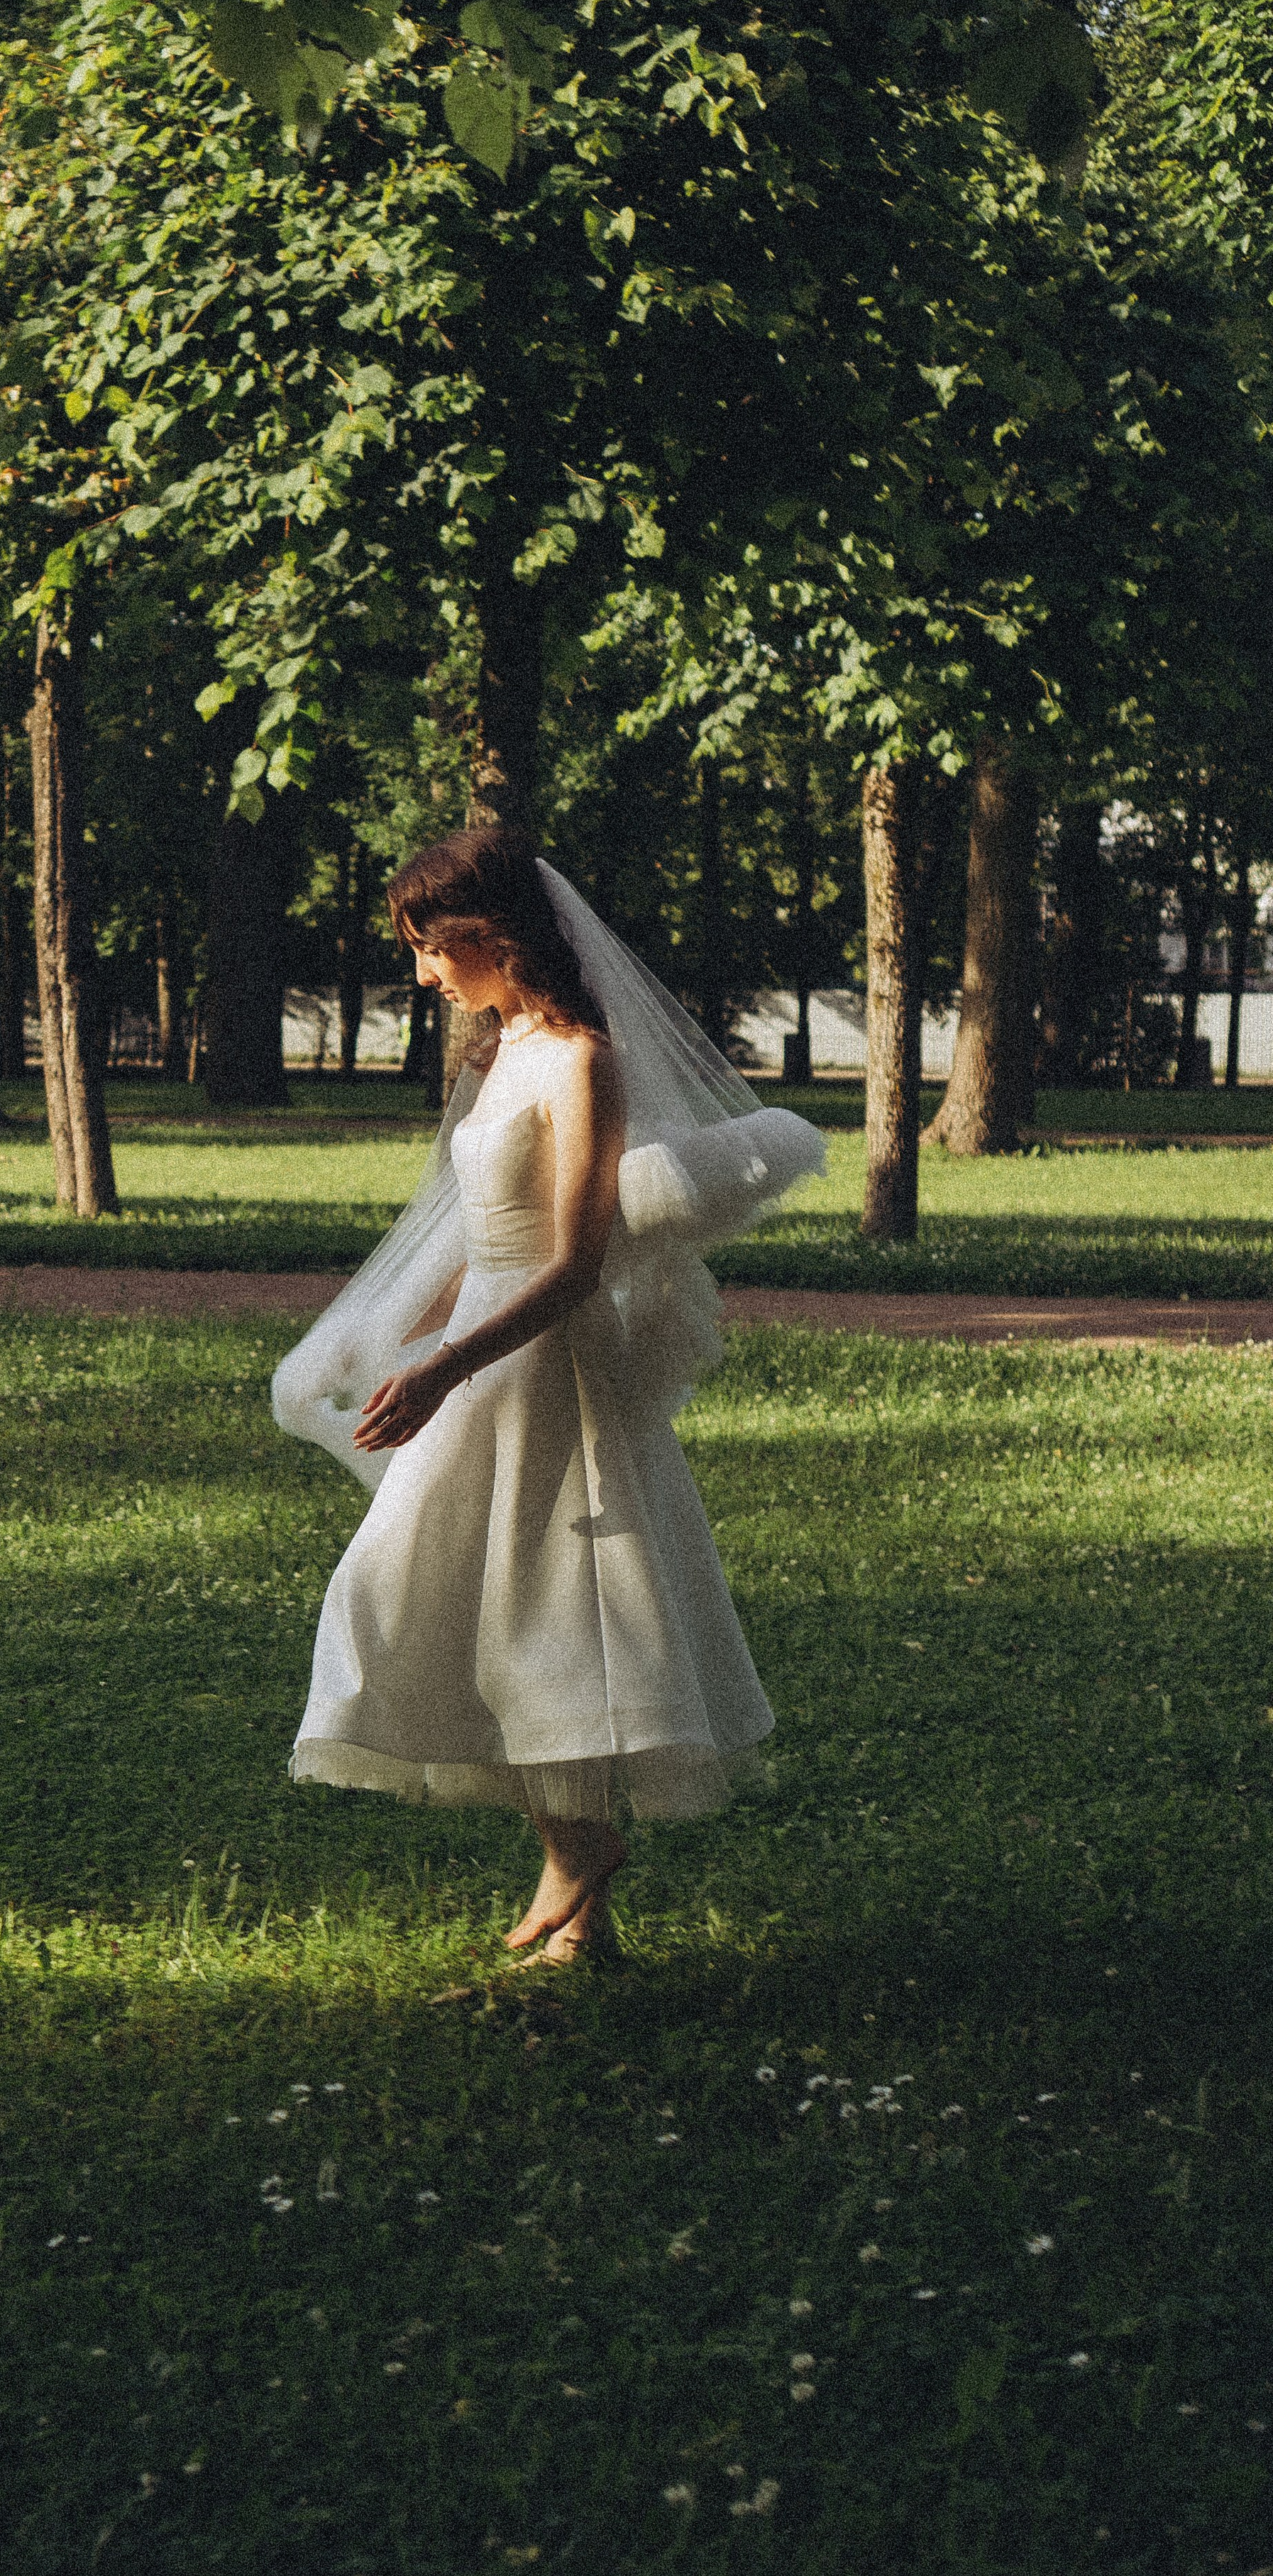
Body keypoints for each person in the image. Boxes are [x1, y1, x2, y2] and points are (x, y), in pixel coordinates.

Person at [272, 825, 824, 1962]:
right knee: (431, 1601)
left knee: (556, 1615)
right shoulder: (499, 1054)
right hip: (480, 1347)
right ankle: (582, 1894)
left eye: (433, 946)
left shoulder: (583, 1062)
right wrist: (413, 1337)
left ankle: (581, 1876)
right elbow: (483, 1239)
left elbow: (570, 1267)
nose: (425, 972)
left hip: (545, 1368)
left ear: (496, 933)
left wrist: (445, 1368)